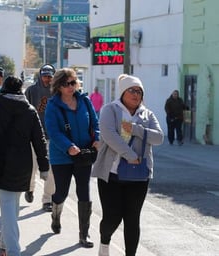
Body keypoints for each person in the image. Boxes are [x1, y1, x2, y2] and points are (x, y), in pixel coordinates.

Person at [0, 76, 49, 256]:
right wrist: (44, 166)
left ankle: (13, 250)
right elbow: (39, 140)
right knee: (13, 205)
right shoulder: (30, 110)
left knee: (8, 206)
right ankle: (3, 241)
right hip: (23, 164)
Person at [92, 74, 164, 256]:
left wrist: (137, 129)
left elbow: (158, 137)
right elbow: (109, 135)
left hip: (138, 175)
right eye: (132, 90)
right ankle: (105, 243)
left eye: (139, 91)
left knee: (132, 219)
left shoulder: (147, 114)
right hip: (112, 175)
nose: (136, 94)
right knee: (112, 218)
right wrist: (129, 154)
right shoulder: (111, 109)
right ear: (123, 92)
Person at [44, 68, 100, 248]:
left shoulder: (84, 101)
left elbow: (95, 122)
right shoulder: (53, 105)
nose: (71, 87)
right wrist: (68, 147)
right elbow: (52, 131)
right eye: (67, 84)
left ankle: (84, 234)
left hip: (83, 154)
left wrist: (97, 138)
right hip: (62, 156)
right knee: (62, 192)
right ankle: (56, 213)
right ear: (59, 86)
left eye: (73, 83)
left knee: (84, 192)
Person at [24, 64, 56, 212]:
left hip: (51, 136)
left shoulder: (57, 92)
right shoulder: (31, 90)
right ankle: (29, 188)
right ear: (40, 76)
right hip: (33, 135)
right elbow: (24, 110)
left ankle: (47, 199)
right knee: (31, 166)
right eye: (45, 76)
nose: (47, 79)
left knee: (50, 170)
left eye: (50, 76)